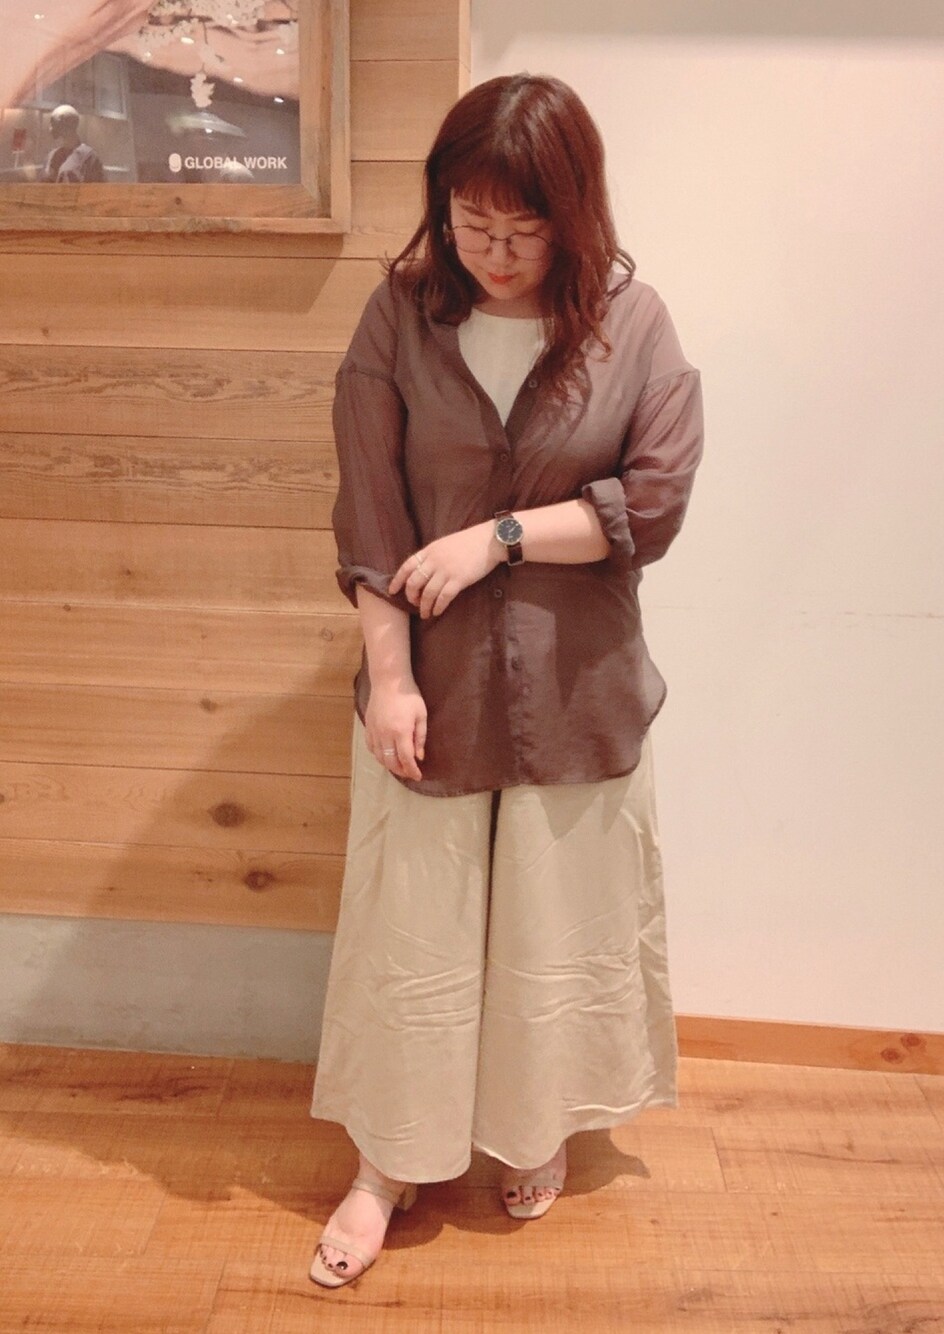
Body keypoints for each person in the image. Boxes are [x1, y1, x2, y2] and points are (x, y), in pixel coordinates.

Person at [308, 72, 704, 1290]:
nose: (490, 253)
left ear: (572, 216)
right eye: (468, 222)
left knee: (557, 931)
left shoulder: (632, 324)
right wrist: (388, 680)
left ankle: (535, 1127)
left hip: (577, 684)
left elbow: (652, 502)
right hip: (429, 686)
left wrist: (501, 536)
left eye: (520, 230)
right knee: (413, 937)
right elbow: (371, 513)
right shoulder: (398, 316)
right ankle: (389, 1160)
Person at [44, 104, 105, 182]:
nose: (51, 128)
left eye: (54, 123)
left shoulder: (89, 157)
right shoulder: (52, 156)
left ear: (67, 125)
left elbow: (99, 187)